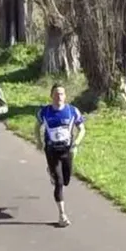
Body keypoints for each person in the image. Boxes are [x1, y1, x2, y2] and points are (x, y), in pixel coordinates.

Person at [35, 84, 85, 227]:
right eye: (56, 94)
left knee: (66, 180)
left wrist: (76, 143)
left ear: (65, 96)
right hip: (51, 150)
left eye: (62, 94)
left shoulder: (72, 111)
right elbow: (36, 126)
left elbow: (82, 129)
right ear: (51, 96)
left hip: (67, 150)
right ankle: (62, 215)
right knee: (59, 183)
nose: (59, 97)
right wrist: (38, 141)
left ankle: (52, 172)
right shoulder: (45, 112)